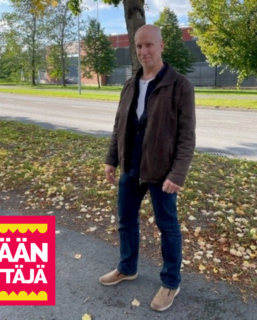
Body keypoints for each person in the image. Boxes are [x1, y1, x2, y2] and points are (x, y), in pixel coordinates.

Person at [99, 24, 196, 312]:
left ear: (162, 46)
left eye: (149, 45)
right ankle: (127, 267)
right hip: (130, 167)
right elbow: (119, 126)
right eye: (139, 46)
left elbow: (186, 136)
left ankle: (170, 282)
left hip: (162, 172)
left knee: (167, 227)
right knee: (125, 221)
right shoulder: (130, 84)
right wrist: (111, 159)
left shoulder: (179, 85)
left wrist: (178, 174)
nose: (144, 51)